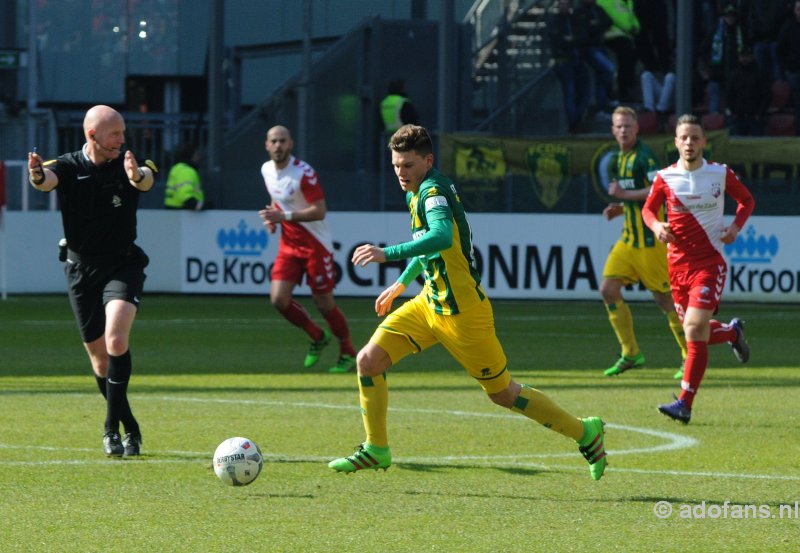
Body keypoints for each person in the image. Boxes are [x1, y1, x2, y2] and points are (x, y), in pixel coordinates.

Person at [327, 125, 608, 480]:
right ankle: (376, 449)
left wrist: (388, 254)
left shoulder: (431, 193)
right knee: (368, 361)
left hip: (464, 316)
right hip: (429, 304)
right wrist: (401, 283)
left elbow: (441, 236)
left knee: (504, 394)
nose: (401, 172)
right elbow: (429, 243)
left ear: (428, 161)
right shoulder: (416, 190)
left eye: (409, 165)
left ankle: (586, 432)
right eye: (397, 165)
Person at [27, 105, 156, 457]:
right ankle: (130, 426)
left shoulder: (129, 161)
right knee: (100, 360)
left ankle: (109, 429)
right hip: (81, 269)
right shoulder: (68, 165)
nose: (122, 139)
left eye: (123, 132)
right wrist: (37, 174)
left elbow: (145, 178)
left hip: (122, 264)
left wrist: (135, 175)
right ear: (92, 136)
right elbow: (45, 181)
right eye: (115, 134)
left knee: (116, 338)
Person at [642, 113, 755, 424]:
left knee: (693, 329)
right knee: (698, 333)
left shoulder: (719, 174)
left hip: (709, 264)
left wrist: (735, 228)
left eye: (695, 137)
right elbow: (648, 209)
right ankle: (732, 332)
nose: (689, 143)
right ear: (676, 142)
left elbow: (746, 201)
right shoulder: (665, 177)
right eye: (684, 137)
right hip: (677, 268)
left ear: (705, 141)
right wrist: (656, 226)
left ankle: (684, 403)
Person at [258, 125, 357, 374]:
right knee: (278, 299)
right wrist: (272, 218)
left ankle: (347, 351)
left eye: (283, 141)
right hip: (289, 245)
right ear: (267, 145)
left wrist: (284, 216)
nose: (278, 145)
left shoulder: (304, 173)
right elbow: (277, 199)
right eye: (274, 141)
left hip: (315, 244)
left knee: (324, 303)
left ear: (291, 144)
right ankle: (317, 335)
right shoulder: (266, 170)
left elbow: (320, 210)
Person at [601, 107, 687, 378]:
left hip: (650, 242)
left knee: (665, 301)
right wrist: (620, 205)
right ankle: (631, 353)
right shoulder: (618, 159)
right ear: (613, 130)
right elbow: (633, 197)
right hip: (628, 240)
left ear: (637, 129)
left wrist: (625, 194)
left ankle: (690, 356)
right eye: (619, 126)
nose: (624, 130)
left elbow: (658, 189)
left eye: (628, 126)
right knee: (608, 289)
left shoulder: (644, 156)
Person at [548, 0, 591, 131]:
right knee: (570, 92)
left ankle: (578, 118)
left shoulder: (575, 19)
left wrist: (572, 39)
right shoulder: (555, 21)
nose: (563, 6)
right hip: (564, 61)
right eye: (561, 3)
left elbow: (584, 36)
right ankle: (573, 123)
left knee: (584, 92)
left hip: (578, 60)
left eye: (566, 3)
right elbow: (557, 41)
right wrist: (572, 40)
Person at [700, 4, 746, 114]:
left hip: (734, 73)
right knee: (714, 100)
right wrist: (707, 67)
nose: (730, 18)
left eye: (732, 16)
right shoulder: (715, 31)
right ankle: (714, 122)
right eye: (727, 16)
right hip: (716, 73)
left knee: (732, 104)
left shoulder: (740, 32)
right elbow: (704, 50)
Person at [725, 47, 771, 136]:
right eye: (742, 56)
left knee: (758, 144)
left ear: (752, 57)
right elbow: (729, 94)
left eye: (747, 56)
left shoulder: (760, 74)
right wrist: (733, 112)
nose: (745, 59)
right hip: (739, 116)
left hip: (755, 116)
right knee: (738, 145)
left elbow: (767, 95)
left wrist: (760, 113)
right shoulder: (734, 75)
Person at [776, 0, 800, 135]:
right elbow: (780, 50)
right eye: (798, 9)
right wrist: (786, 67)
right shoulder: (787, 27)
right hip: (794, 70)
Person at [164, 142, 205, 210]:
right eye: (197, 154)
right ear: (192, 155)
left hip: (174, 211)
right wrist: (200, 205)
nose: (199, 157)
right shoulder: (187, 171)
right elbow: (186, 197)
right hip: (183, 213)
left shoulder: (177, 168)